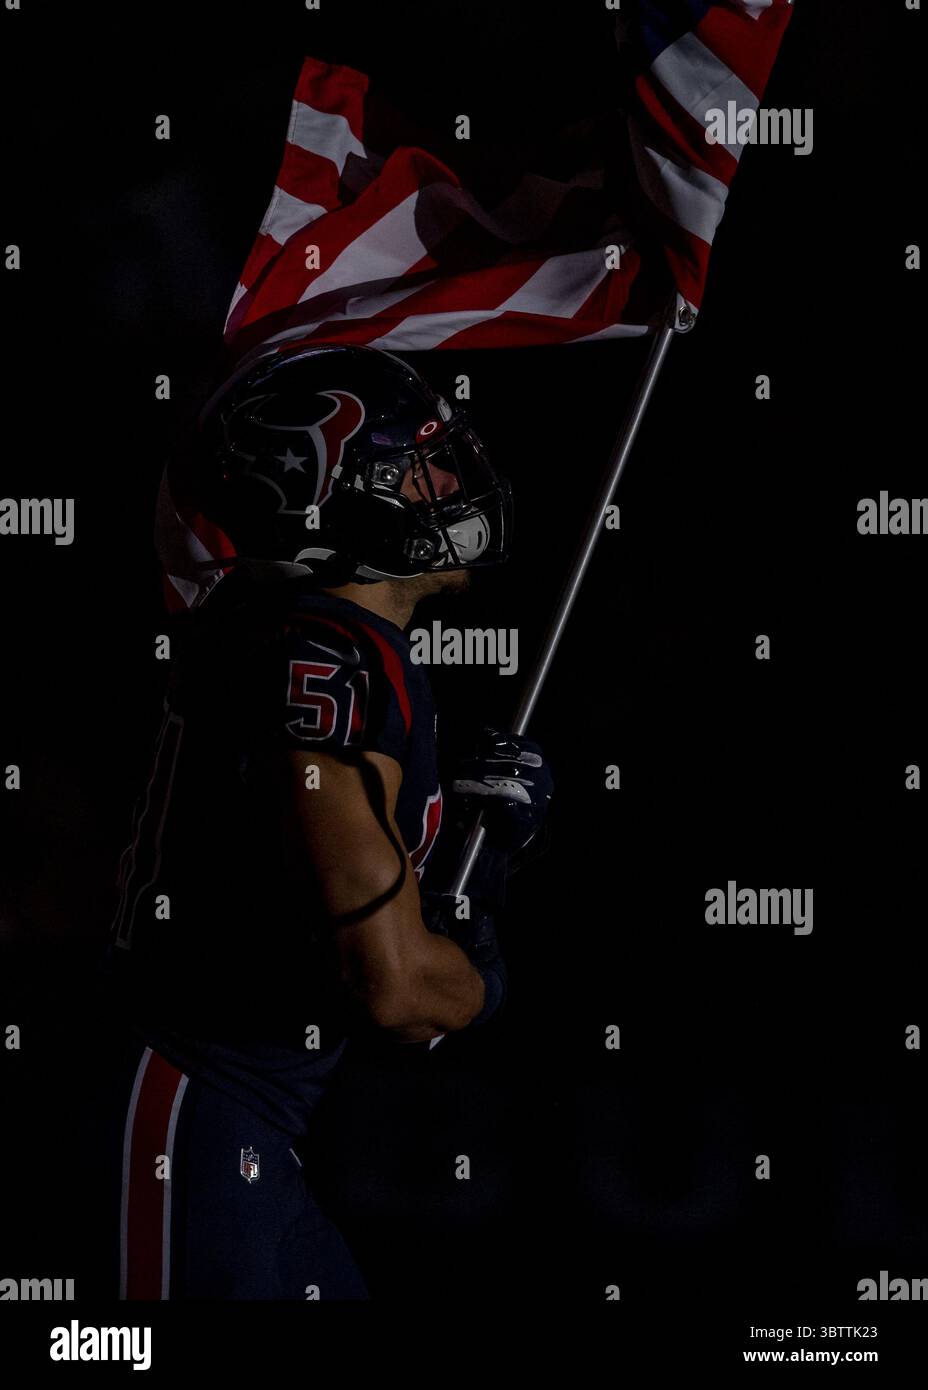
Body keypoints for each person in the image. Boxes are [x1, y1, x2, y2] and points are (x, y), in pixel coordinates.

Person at [90, 342, 552, 1299]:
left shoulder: (323, 640)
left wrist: (473, 866)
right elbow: (392, 989)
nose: (452, 480)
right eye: (423, 459)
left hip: (244, 1124)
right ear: (341, 489)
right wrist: (480, 963)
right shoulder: (319, 653)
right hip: (189, 1104)